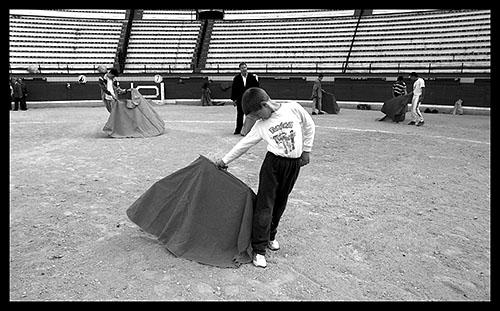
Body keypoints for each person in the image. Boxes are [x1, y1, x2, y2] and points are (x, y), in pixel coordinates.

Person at [214, 87, 316, 268]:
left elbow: (309, 125)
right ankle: (259, 249)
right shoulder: (261, 126)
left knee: (281, 201)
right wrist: (224, 160)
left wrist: (306, 150)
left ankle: (271, 236)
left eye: (258, 114)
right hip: (273, 166)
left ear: (264, 104)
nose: (259, 119)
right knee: (265, 205)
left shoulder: (293, 108)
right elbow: (244, 144)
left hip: (293, 166)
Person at [231, 62, 260, 135]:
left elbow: (256, 88)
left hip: (250, 99)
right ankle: (238, 129)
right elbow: (234, 89)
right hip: (240, 99)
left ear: (247, 68)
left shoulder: (252, 77)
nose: (244, 69)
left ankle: (250, 130)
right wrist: (234, 99)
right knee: (240, 115)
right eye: (242, 68)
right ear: (240, 69)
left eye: (245, 67)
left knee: (250, 115)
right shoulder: (237, 78)